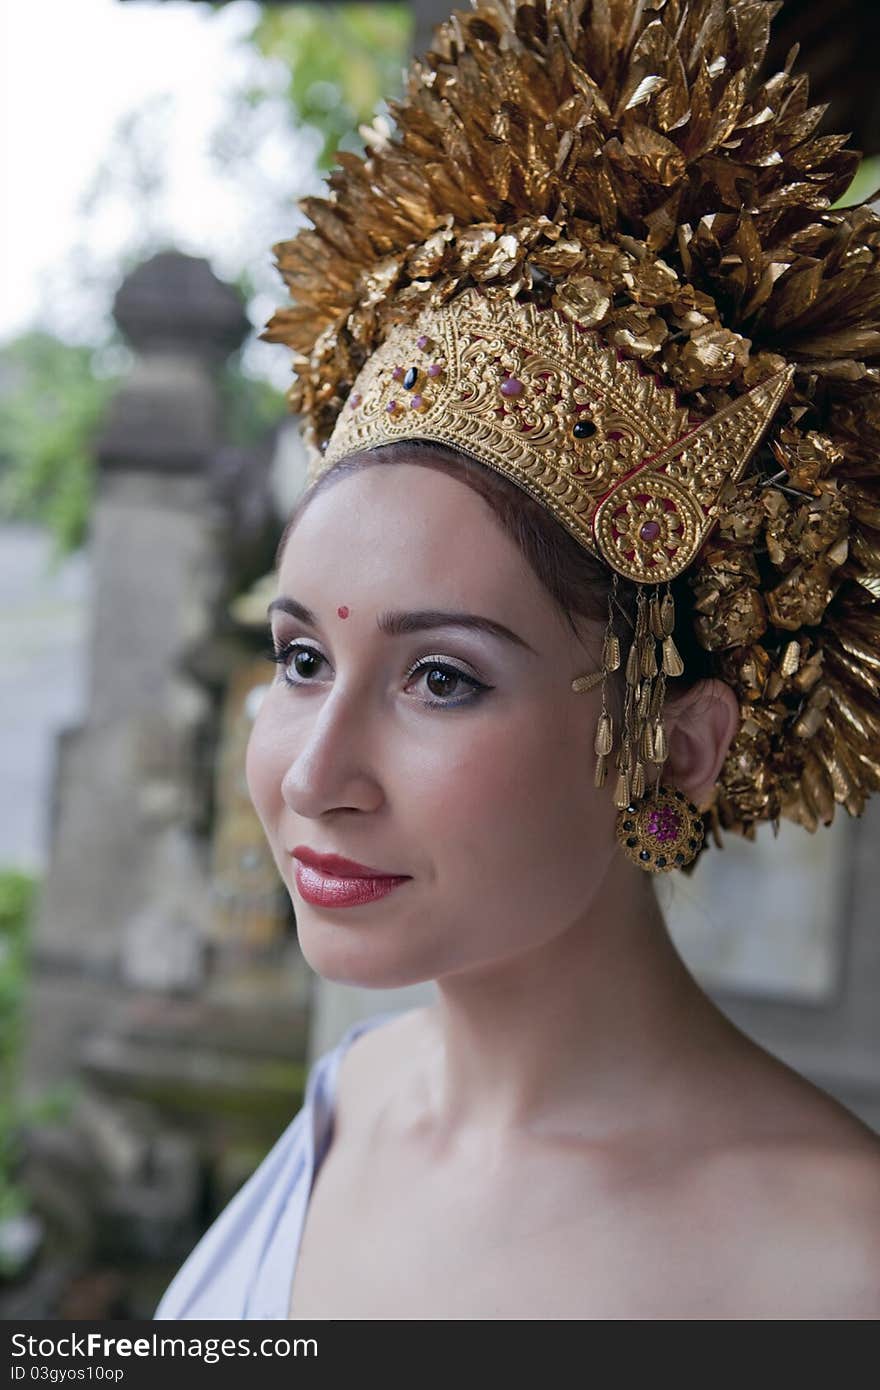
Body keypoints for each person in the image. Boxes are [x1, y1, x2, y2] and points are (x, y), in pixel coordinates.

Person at [155, 0, 880, 1319]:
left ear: (676, 741)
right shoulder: (350, 1102)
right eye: (302, 656)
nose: (315, 775)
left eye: (443, 677)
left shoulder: (834, 1267)